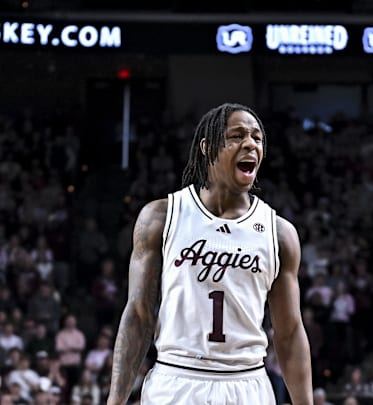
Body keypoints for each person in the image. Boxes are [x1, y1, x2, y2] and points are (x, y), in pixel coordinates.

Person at [106, 103, 312, 405]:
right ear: (207, 146)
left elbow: (290, 332)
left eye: (257, 138)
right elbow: (138, 315)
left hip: (247, 383)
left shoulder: (279, 233)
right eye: (237, 135)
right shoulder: (161, 218)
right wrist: (115, 400)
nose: (250, 144)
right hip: (176, 380)